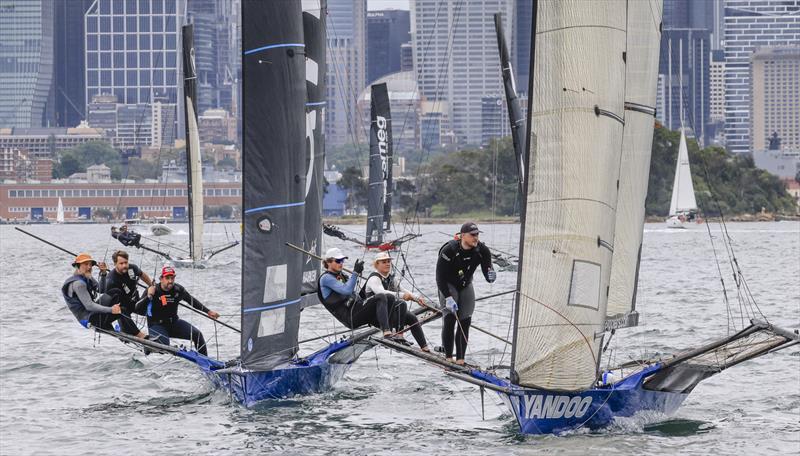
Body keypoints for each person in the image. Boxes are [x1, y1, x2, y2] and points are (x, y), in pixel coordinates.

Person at [436, 222, 496, 365]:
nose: (476, 238)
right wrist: (448, 298)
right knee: (450, 318)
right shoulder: (449, 250)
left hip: (466, 284)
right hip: (448, 284)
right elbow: (439, 277)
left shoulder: (482, 250)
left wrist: (491, 276)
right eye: (472, 235)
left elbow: (488, 273)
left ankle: (461, 359)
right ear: (463, 236)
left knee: (465, 320)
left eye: (477, 234)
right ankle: (448, 357)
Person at [316, 247, 406, 342]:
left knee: (394, 300)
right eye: (338, 261)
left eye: (342, 260)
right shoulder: (326, 278)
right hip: (350, 317)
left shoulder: (342, 275)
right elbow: (347, 291)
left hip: (357, 309)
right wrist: (355, 273)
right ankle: (386, 333)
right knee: (381, 296)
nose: (341, 263)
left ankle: (395, 333)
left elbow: (355, 294)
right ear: (328, 262)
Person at [135, 266, 219, 356]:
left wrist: (208, 311)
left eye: (172, 278)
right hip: (156, 325)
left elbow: (192, 301)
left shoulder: (178, 290)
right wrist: (149, 297)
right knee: (164, 346)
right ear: (161, 279)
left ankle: (206, 361)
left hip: (174, 323)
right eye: (167, 278)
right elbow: (138, 308)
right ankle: (147, 346)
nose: (170, 281)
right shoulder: (153, 290)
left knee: (197, 334)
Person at [362, 251, 430, 351]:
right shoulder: (374, 279)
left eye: (388, 261)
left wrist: (417, 298)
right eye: (384, 262)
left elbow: (404, 291)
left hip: (388, 313)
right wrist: (403, 296)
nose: (387, 264)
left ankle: (424, 347)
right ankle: (398, 335)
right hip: (376, 316)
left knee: (412, 318)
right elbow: (382, 292)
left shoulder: (391, 278)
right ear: (377, 265)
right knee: (401, 303)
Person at [61, 253, 122, 330]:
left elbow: (100, 290)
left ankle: (112, 326)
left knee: (116, 292)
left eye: (90, 265)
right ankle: (127, 329)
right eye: (86, 264)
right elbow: (89, 306)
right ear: (77, 266)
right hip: (88, 319)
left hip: (92, 314)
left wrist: (103, 274)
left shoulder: (86, 276)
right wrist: (111, 310)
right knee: (121, 309)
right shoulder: (78, 283)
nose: (89, 267)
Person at [99, 250, 152, 339]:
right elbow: (104, 296)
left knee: (152, 290)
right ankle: (138, 334)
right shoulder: (111, 279)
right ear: (115, 264)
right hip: (122, 308)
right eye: (121, 263)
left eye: (126, 262)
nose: (124, 265)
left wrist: (151, 285)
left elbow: (142, 275)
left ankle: (158, 327)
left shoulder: (132, 268)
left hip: (135, 302)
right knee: (122, 310)